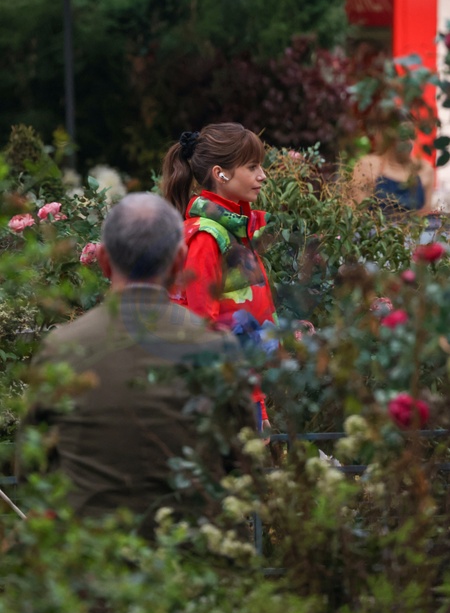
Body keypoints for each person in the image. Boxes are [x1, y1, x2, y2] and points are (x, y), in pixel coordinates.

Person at [18, 193, 252, 539]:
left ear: (103, 261)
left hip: (92, 555)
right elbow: (242, 466)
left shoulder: (62, 349)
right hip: (190, 555)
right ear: (179, 261)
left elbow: (31, 468)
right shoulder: (216, 349)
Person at [161, 123, 278, 432]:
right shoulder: (208, 236)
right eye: (252, 167)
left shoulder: (233, 231)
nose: (262, 175)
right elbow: (205, 329)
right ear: (220, 173)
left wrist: (258, 404)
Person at [351, 108, 434, 216]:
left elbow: (428, 219)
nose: (409, 141)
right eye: (403, 136)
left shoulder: (424, 170)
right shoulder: (368, 166)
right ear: (389, 137)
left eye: (411, 135)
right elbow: (356, 215)